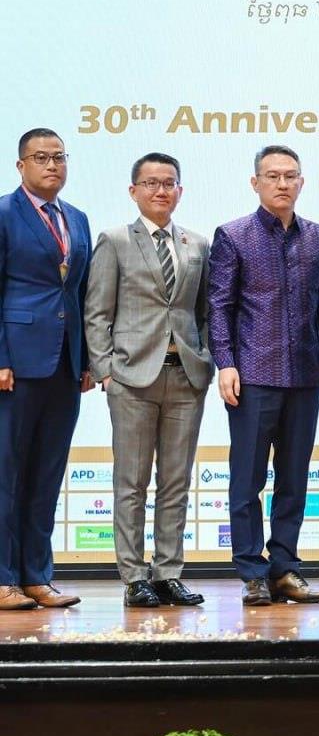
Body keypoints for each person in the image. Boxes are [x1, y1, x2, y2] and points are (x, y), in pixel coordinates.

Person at [209, 144, 319, 606]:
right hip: (252, 374)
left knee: (294, 479)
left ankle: (285, 568)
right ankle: (252, 572)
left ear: (302, 182)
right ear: (256, 183)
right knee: (247, 479)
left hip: (305, 374)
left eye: (290, 176)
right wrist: (225, 362)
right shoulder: (233, 235)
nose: (282, 183)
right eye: (273, 176)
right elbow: (219, 306)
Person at [84, 152, 213, 608]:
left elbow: (204, 312)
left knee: (176, 481)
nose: (161, 190)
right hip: (132, 378)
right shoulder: (115, 240)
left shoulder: (197, 244)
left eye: (169, 183)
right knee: (132, 482)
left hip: (186, 377)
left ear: (180, 190)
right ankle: (134, 575)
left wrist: (206, 359)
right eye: (151, 183)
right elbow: (96, 313)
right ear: (133, 190)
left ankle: (168, 573)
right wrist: (105, 372)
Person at [0, 129, 93, 610]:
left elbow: (80, 294)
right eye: (41, 157)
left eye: (59, 157)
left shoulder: (76, 218)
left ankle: (37, 576)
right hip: (16, 363)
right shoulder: (4, 213)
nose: (52, 165)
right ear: (21, 165)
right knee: (6, 473)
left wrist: (87, 359)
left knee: (47, 474)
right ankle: (3, 578)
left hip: (65, 364)